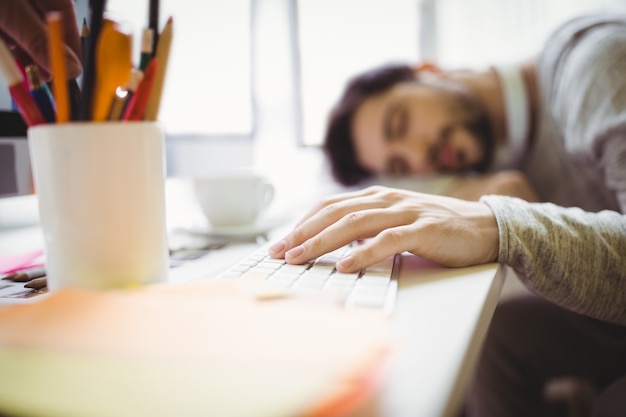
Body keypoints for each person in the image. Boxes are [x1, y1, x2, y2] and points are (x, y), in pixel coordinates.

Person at [269, 13, 626, 417]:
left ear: (429, 70)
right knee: (494, 340)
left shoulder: (596, 68)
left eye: (401, 123)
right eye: (402, 166)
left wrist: (502, 226)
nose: (422, 157)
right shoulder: (506, 153)